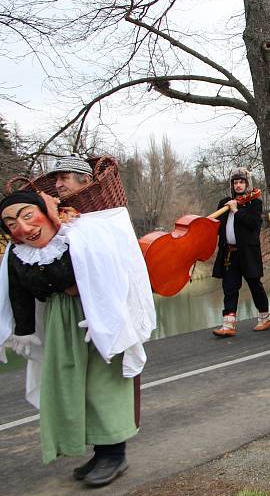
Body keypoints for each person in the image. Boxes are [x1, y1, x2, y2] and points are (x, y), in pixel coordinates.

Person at [0, 190, 156, 487]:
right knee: (72, 385)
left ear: (45, 211)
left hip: (96, 313)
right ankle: (99, 451)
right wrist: (23, 330)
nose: (22, 228)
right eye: (10, 223)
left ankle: (114, 453)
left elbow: (106, 268)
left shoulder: (80, 234)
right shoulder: (18, 253)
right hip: (59, 318)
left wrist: (88, 293)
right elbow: (20, 290)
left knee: (103, 382)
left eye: (27, 216)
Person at [211, 168, 270, 337]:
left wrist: (236, 210)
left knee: (254, 284)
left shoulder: (255, 203)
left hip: (248, 252)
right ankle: (228, 324)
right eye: (235, 182)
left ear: (247, 184)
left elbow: (253, 224)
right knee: (229, 287)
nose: (238, 185)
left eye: (241, 182)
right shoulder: (225, 202)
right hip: (229, 253)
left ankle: (264, 317)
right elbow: (216, 227)